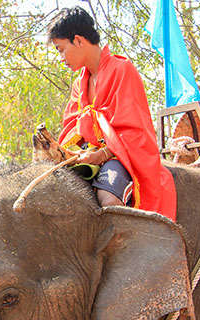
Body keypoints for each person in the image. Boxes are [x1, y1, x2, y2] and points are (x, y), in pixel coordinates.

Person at [48, 6, 176, 220]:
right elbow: (71, 129)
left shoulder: (121, 69)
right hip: (86, 156)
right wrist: (71, 152)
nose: (61, 57)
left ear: (78, 40)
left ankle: (130, 250)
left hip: (120, 157)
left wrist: (103, 154)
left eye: (61, 49)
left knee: (107, 198)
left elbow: (136, 132)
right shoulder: (79, 84)